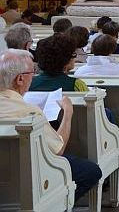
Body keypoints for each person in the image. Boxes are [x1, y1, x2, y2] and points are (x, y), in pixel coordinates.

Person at [0, 49, 102, 202]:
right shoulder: (30, 112)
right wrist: (67, 113)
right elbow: (58, 149)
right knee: (92, 171)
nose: (33, 77)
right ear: (20, 79)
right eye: (31, 73)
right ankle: (57, 203)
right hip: (31, 174)